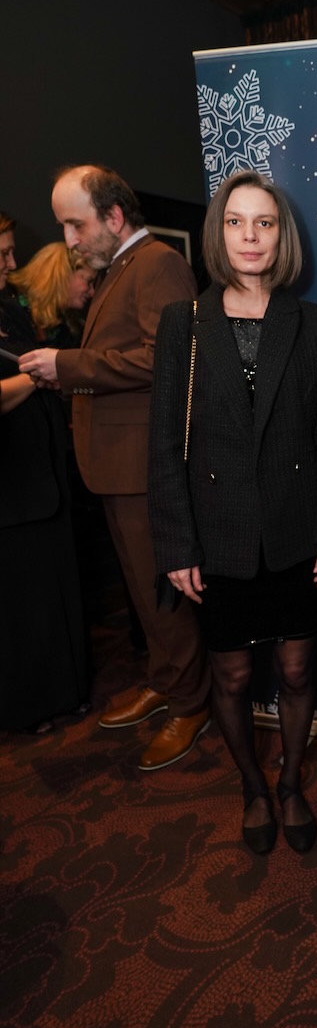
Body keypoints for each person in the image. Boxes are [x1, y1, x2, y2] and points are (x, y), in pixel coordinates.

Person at [148, 169, 317, 854]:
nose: (250, 236)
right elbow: (164, 445)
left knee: (296, 672)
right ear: (218, 233)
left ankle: (290, 783)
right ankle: (252, 788)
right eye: (236, 222)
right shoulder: (183, 323)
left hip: (296, 536)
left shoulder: (312, 324)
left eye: (263, 222)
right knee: (233, 677)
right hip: (218, 538)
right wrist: (176, 546)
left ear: (280, 235)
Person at [19, 166, 210, 770]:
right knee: (143, 590)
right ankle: (166, 681)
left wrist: (68, 365)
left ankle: (192, 702)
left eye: (75, 225)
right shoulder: (122, 268)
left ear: (114, 217)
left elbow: (167, 358)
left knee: (164, 591)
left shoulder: (157, 265)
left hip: (144, 465)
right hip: (117, 466)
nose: (69, 240)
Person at [1, 218, 89, 733]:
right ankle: (30, 706)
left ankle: (64, 693)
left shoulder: (9, 310)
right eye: (3, 255)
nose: (13, 265)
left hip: (42, 479)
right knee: (22, 605)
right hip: (11, 486)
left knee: (53, 593)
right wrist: (41, 376)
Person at [8, 242, 96, 346]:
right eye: (89, 281)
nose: (92, 292)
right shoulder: (8, 309)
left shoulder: (70, 328)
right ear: (64, 274)